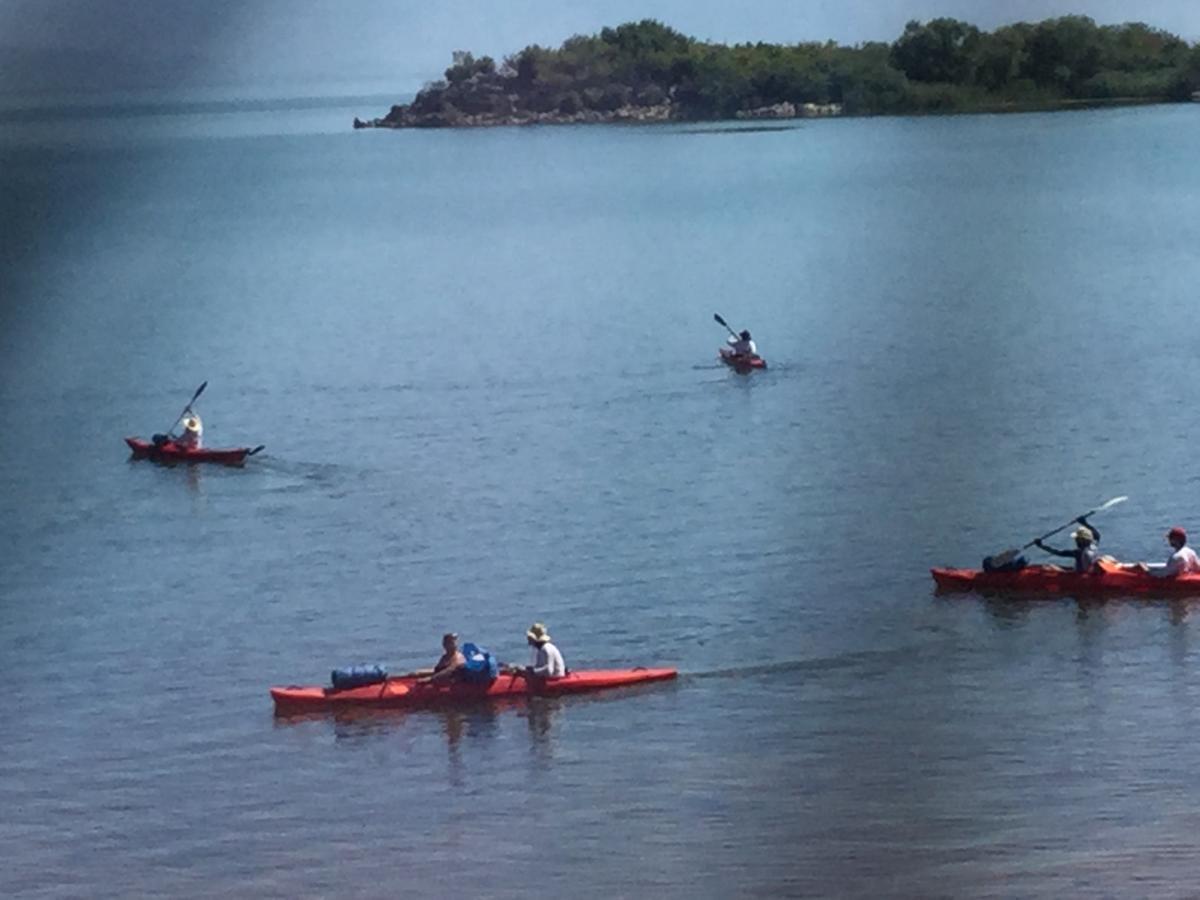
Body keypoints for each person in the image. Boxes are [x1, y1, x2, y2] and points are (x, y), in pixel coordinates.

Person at [1035, 517, 1101, 573]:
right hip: (1089, 572)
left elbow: (1058, 553)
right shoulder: (1093, 546)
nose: (1075, 541)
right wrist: (1084, 522)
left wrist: (1041, 546)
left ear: (1081, 541)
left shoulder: (1078, 553)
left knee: (1048, 567)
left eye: (1077, 539)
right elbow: (1097, 535)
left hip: (1079, 576)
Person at [1130, 527, 1200, 577]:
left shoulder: (1176, 557)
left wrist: (1146, 571)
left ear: (1176, 540)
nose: (1169, 540)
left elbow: (1162, 574)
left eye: (1170, 538)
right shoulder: (1190, 552)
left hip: (1178, 582)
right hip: (1185, 575)